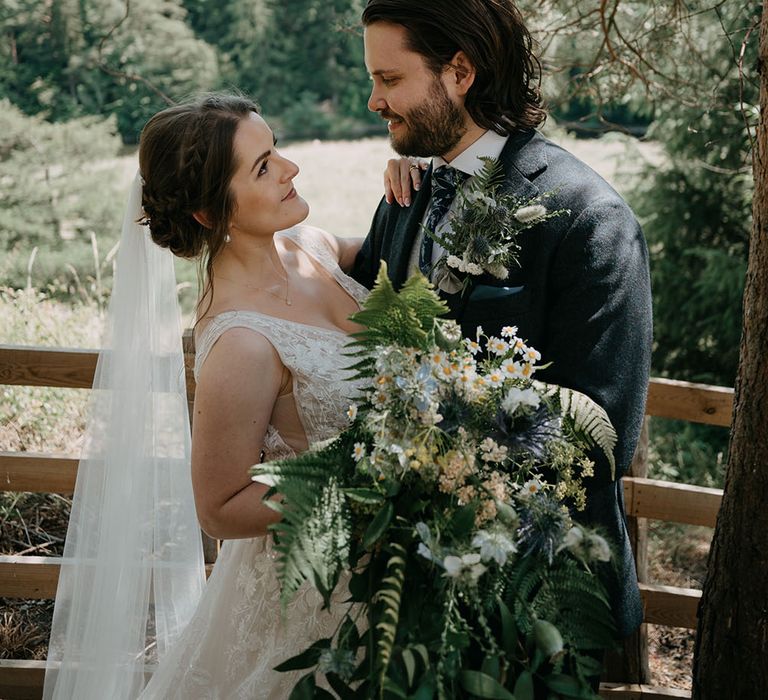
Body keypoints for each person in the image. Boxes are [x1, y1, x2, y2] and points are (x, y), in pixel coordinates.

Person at [351, 0, 653, 658]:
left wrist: (434, 451)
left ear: (460, 71)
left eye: (390, 79)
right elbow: (367, 337)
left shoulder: (588, 218)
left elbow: (602, 433)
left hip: (543, 607)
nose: (373, 100)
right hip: (413, 596)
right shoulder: (407, 194)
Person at [43, 93, 370, 699]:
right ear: (208, 213)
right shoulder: (242, 341)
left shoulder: (310, 250)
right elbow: (219, 507)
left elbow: (394, 242)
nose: (290, 169)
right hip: (318, 593)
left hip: (394, 567)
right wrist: (366, 485)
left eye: (275, 152)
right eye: (263, 166)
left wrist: (414, 178)